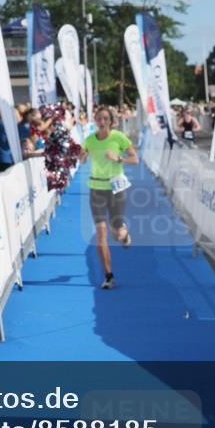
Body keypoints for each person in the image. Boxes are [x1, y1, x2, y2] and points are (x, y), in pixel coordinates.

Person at [79, 106, 138, 290]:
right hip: (96, 188)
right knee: (101, 232)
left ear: (111, 121)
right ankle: (109, 276)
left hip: (116, 188)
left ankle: (125, 233)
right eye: (99, 118)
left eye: (105, 119)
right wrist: (82, 156)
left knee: (117, 232)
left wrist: (118, 158)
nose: (102, 122)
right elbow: (82, 160)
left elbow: (134, 159)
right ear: (95, 121)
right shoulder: (89, 140)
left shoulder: (118, 137)